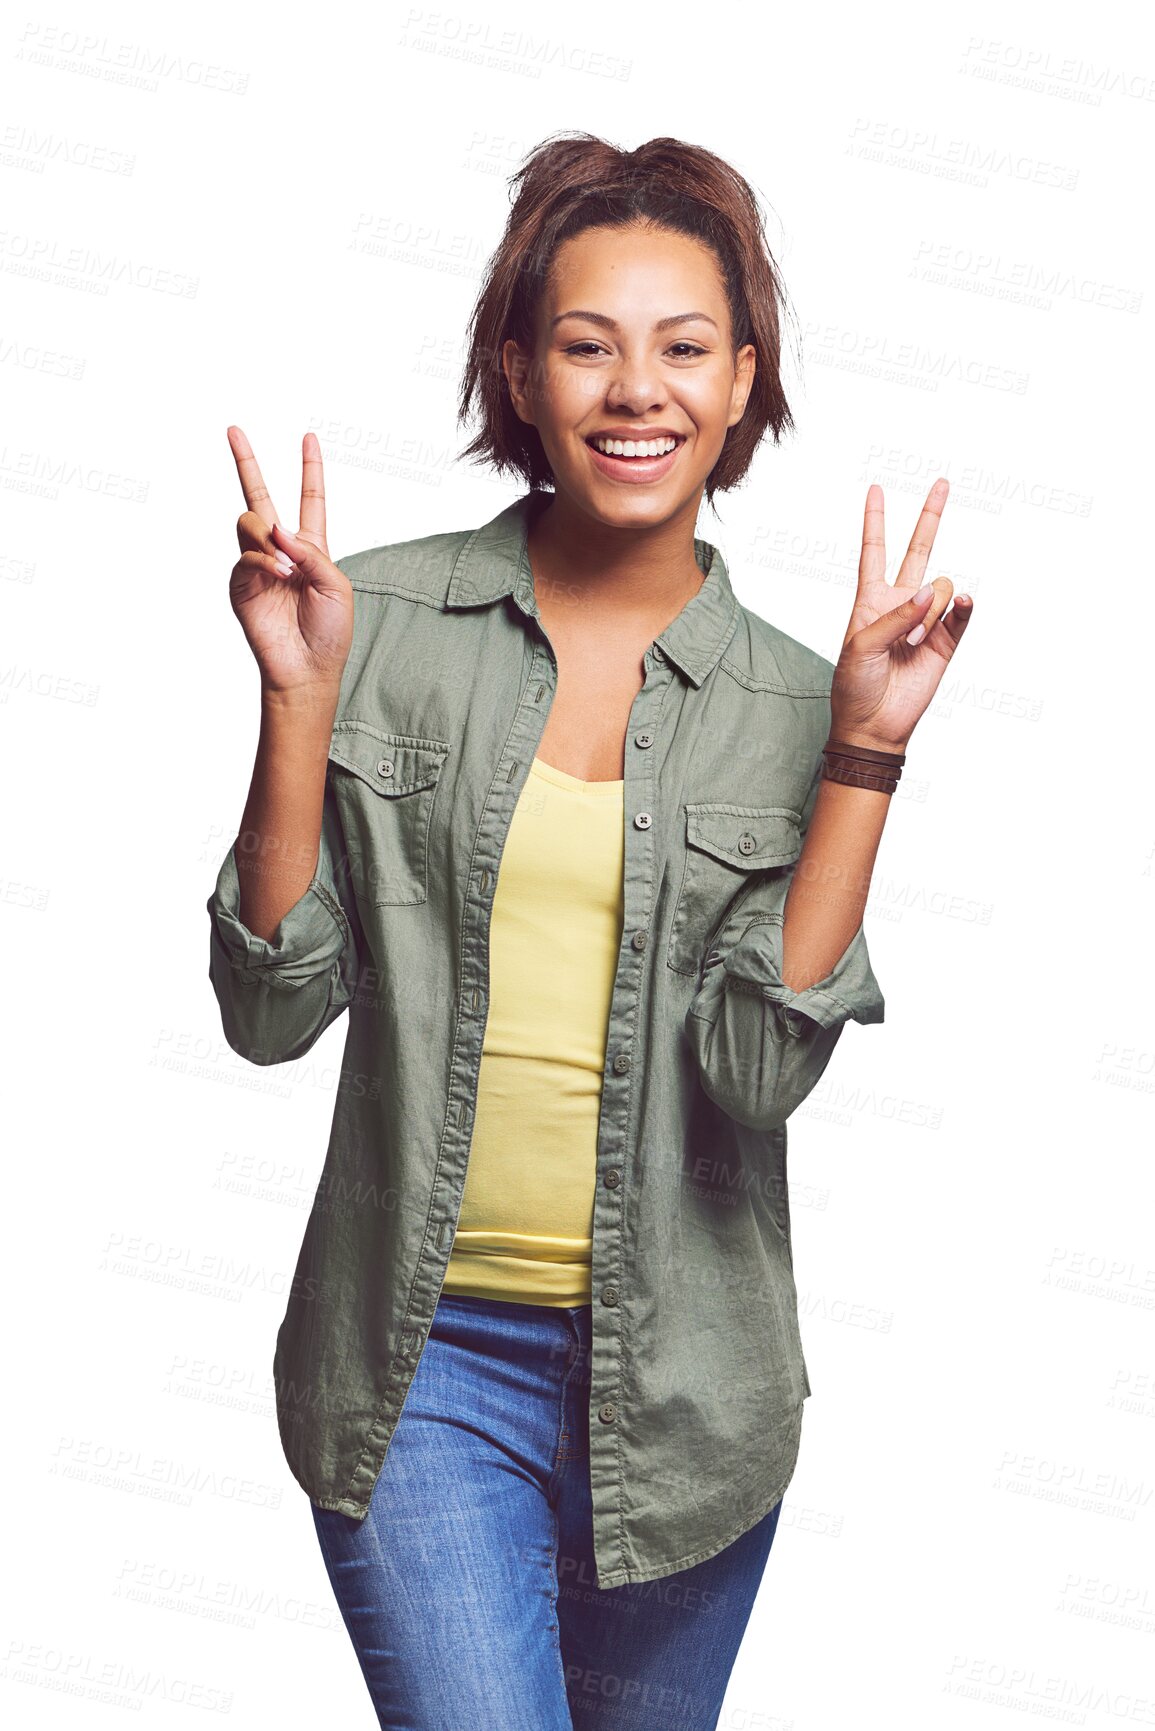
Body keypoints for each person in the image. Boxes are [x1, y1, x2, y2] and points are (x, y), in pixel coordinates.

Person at [207, 131, 973, 1730]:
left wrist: (868, 746)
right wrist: (296, 700)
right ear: (520, 368)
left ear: (745, 379)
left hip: (689, 1390)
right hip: (417, 1368)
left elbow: (759, 1073)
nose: (640, 390)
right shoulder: (372, 619)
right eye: (588, 344)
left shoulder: (790, 694)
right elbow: (271, 1009)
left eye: (686, 347)